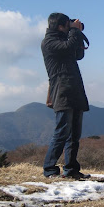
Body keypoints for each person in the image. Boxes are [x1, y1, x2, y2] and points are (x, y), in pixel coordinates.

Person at [41, 12, 90, 179]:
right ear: (61, 26)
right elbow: (68, 47)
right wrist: (75, 32)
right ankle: (49, 169)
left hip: (74, 90)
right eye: (68, 25)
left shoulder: (64, 39)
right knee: (62, 132)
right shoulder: (49, 42)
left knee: (74, 134)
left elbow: (78, 54)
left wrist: (76, 33)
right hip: (62, 91)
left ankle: (71, 169)